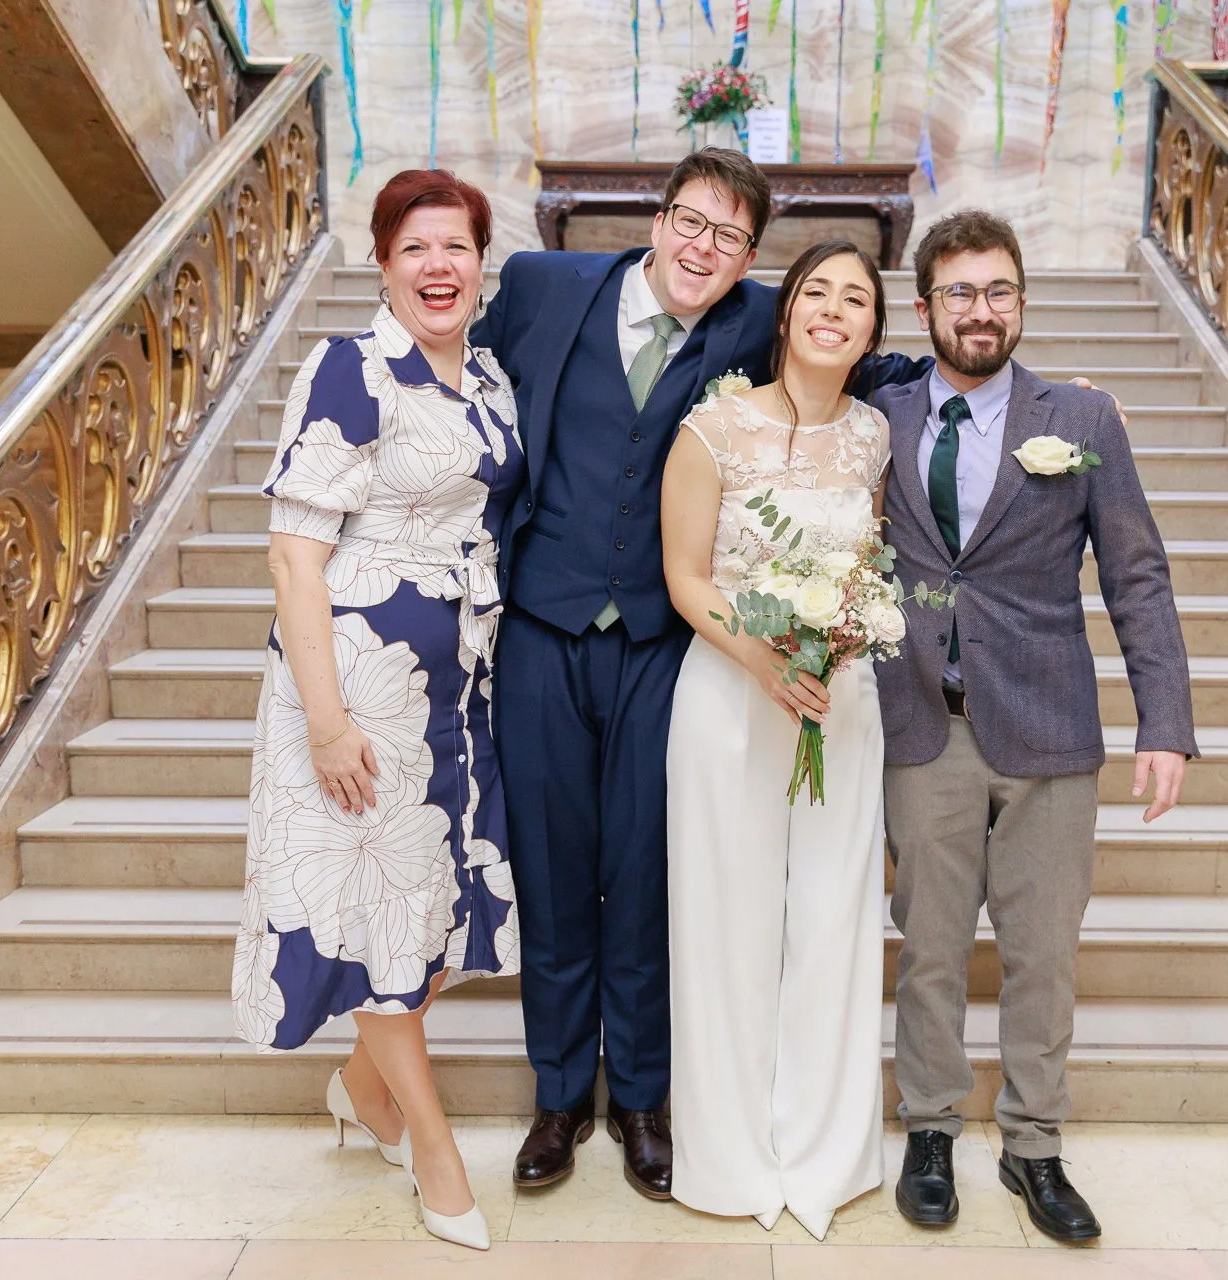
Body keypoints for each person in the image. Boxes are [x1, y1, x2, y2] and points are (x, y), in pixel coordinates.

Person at [473, 149, 929, 1200]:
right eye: (690, 222)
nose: (702, 249)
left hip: (656, 644)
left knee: (641, 870)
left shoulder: (753, 319)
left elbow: (870, 365)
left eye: (729, 237)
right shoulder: (546, 287)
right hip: (542, 625)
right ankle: (557, 1092)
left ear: (751, 258)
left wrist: (1002, 385)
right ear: (657, 215)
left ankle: (640, 1093)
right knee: (552, 863)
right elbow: (463, 369)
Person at [875, 211, 1197, 1243]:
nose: (982, 309)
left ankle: (1033, 1145)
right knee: (927, 947)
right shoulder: (876, 418)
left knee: (1043, 953)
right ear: (924, 308)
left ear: (1022, 300)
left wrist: (1165, 721)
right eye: (960, 292)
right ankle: (929, 1126)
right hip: (924, 724)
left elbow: (1136, 573)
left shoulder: (1084, 420)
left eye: (1000, 289)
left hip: (1050, 724)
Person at [231, 168, 523, 1252]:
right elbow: (293, 555)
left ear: (480, 264)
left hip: (459, 679)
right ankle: (431, 1148)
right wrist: (324, 721)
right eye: (415, 249)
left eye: (455, 247)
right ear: (384, 264)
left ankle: (362, 1083)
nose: (438, 267)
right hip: (360, 679)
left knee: (434, 913)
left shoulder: (487, 376)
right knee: (383, 905)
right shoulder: (350, 370)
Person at [661, 242, 895, 1239]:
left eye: (857, 299)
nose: (833, 311)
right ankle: (730, 1149)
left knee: (836, 921)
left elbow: (867, 563)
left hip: (840, 700)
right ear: (786, 310)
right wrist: (759, 656)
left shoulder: (876, 436)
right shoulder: (711, 426)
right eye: (816, 293)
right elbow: (685, 575)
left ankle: (826, 1147)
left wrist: (837, 638)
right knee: (727, 922)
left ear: (875, 330)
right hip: (727, 699)